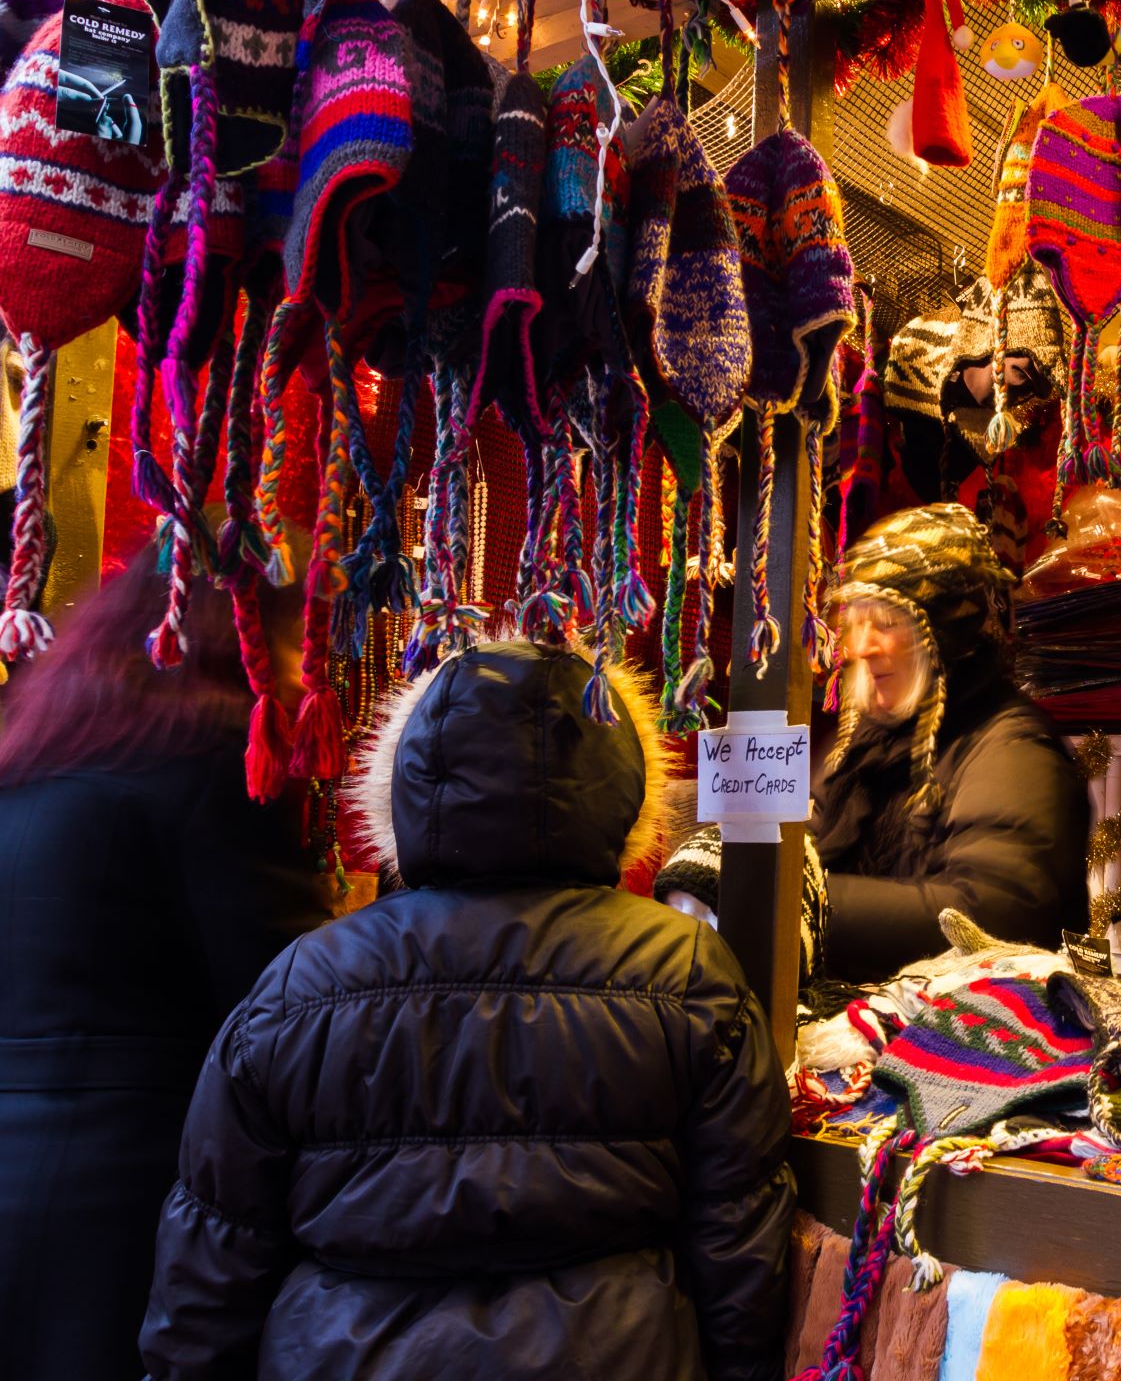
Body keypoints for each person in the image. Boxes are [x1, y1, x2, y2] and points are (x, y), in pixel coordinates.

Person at [139, 640, 796, 1381]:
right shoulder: (686, 974)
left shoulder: (304, 983)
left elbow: (217, 1245)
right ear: (619, 785)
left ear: (409, 781)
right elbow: (738, 1241)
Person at [0, 548, 328, 1381]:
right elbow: (280, 1000)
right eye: (296, 643)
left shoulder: (32, 751)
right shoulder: (211, 751)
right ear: (245, 635)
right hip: (129, 1182)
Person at [812, 502, 1088, 982]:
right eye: (855, 623)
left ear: (939, 635)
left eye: (886, 622)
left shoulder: (1013, 747)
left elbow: (995, 913)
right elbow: (805, 844)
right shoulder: (861, 745)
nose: (860, 647)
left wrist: (804, 901)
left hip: (972, 1040)